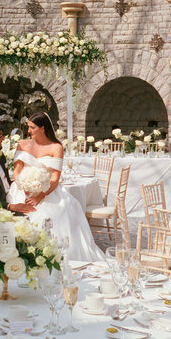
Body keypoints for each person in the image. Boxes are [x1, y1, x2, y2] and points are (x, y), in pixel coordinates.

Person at [7, 112, 104, 261]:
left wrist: (40, 195)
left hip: (47, 190)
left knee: (58, 212)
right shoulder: (22, 144)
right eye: (28, 127)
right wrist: (22, 185)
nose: (29, 131)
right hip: (22, 188)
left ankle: (55, 256)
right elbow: (17, 171)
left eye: (32, 127)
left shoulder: (56, 147)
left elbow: (54, 178)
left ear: (43, 128)